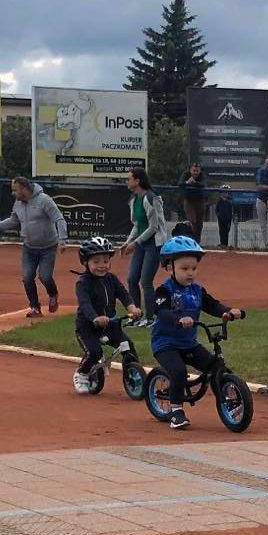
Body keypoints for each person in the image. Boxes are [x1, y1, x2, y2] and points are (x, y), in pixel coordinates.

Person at [151, 236, 243, 429]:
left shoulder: (197, 290)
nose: (190, 273)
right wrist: (178, 319)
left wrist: (227, 311)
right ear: (170, 267)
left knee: (217, 366)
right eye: (184, 269)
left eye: (193, 268)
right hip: (165, 343)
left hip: (188, 344)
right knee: (178, 371)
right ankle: (176, 410)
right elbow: (161, 311)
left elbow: (212, 305)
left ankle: (226, 400)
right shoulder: (165, 290)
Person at [0, 177, 68, 318]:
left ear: (24, 188)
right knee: (27, 277)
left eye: (15, 190)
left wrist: (63, 239)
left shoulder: (44, 200)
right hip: (29, 247)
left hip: (48, 247)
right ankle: (35, 308)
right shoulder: (18, 203)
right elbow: (13, 221)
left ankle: (53, 295)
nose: (13, 193)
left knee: (45, 277)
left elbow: (59, 218)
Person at [72, 237, 142, 394]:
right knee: (95, 352)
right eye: (96, 262)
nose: (102, 265)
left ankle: (132, 374)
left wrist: (132, 308)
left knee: (128, 346)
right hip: (88, 327)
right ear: (85, 263)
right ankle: (81, 373)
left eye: (105, 260)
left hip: (110, 325)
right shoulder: (83, 283)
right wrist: (95, 318)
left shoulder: (111, 279)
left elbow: (123, 294)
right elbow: (85, 305)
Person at [121, 167, 169, 327]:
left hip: (153, 244)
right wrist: (128, 242)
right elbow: (137, 225)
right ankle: (135, 315)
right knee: (131, 278)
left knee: (145, 281)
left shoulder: (151, 198)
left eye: (129, 178)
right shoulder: (133, 200)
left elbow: (154, 227)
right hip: (142, 244)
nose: (127, 181)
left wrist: (136, 243)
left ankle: (150, 317)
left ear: (137, 181)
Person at [177, 163, 206, 242]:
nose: (195, 172)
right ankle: (191, 240)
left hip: (200, 200)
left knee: (199, 223)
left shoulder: (202, 175)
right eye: (194, 171)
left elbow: (203, 184)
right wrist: (187, 183)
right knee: (192, 221)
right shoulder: (185, 174)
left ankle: (197, 241)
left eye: (197, 171)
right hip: (189, 200)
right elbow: (180, 184)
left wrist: (195, 183)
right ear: (190, 170)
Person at [215, 184, 233, 249]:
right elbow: (216, 210)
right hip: (221, 219)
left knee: (226, 232)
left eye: (226, 192)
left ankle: (225, 244)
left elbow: (230, 212)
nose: (225, 193)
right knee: (221, 231)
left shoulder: (229, 202)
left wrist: (230, 219)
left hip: (227, 220)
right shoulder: (219, 201)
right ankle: (222, 243)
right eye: (224, 192)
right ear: (221, 193)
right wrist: (218, 215)